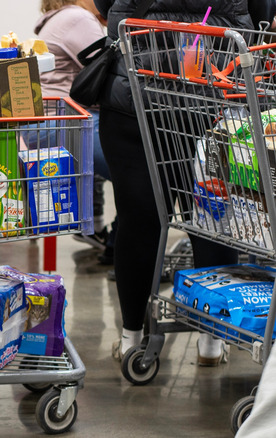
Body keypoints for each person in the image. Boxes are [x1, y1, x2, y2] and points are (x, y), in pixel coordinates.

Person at [94, 0, 276, 364]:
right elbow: (263, 11)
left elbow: (103, 3)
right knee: (214, 219)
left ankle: (131, 337)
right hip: (212, 96)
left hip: (135, 95)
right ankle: (212, 340)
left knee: (139, 217)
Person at [33, 0, 114, 254]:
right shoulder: (78, 18)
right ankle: (123, 245)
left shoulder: (58, 18)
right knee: (138, 171)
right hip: (63, 124)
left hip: (45, 124)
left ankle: (113, 239)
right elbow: (109, 72)